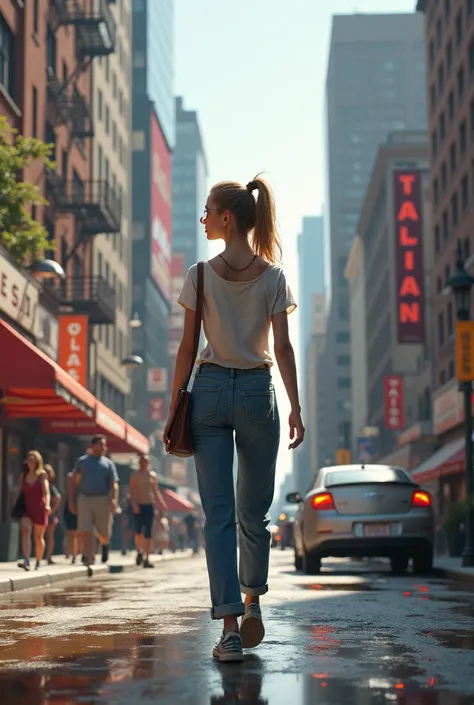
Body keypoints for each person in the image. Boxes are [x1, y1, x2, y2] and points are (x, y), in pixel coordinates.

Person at [164, 176, 305, 662]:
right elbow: (282, 349)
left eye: (208, 211)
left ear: (228, 217)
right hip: (255, 393)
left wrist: (175, 400)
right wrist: (297, 408)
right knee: (254, 514)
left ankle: (228, 629)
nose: (203, 219)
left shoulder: (198, 274)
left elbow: (187, 347)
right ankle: (252, 603)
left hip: (205, 393)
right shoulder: (274, 277)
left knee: (218, 514)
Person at [70, 435, 119, 572]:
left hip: (102, 499)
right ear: (93, 446)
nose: (104, 448)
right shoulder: (82, 462)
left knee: (103, 532)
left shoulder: (108, 464)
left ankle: (104, 545)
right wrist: (71, 501)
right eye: (101, 445)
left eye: (105, 445)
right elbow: (75, 482)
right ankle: (88, 557)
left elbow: (113, 484)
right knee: (86, 529)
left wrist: (113, 500)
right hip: (85, 498)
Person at [129, 454, 168, 568]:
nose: (144, 464)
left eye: (146, 461)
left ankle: (147, 558)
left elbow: (155, 491)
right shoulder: (135, 475)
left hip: (149, 505)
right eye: (142, 461)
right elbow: (131, 492)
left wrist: (162, 503)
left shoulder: (152, 475)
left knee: (148, 532)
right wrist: (134, 504)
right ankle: (139, 551)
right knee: (138, 531)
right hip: (138, 505)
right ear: (139, 463)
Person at [17, 451, 51, 571]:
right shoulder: (24, 476)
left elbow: (46, 492)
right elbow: (19, 492)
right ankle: (26, 560)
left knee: (38, 537)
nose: (30, 463)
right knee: (25, 530)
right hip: (27, 507)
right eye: (29, 460)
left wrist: (47, 505)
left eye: (33, 461)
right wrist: (15, 505)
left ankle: (38, 561)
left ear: (37, 462)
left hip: (40, 507)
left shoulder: (42, 475)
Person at [44, 464, 62, 565]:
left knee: (49, 535)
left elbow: (58, 498)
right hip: (41, 513)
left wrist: (52, 510)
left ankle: (49, 555)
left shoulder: (51, 487)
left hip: (50, 515)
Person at [64, 471, 82, 564]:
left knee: (78, 533)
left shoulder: (81, 488)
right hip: (69, 509)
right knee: (71, 533)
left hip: (80, 509)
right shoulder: (69, 489)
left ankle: (77, 553)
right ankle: (72, 553)